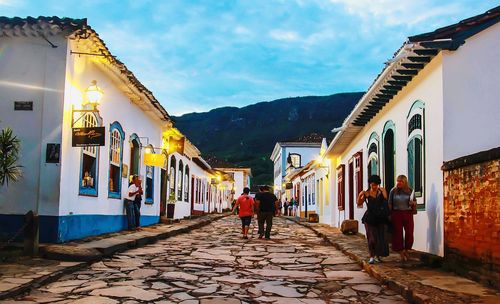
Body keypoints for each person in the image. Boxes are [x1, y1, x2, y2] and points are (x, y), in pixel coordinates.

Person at [357, 175, 389, 264]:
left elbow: (386, 201)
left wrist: (384, 193)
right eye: (372, 185)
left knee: (380, 237)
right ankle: (372, 256)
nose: (374, 186)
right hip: (370, 218)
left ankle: (378, 256)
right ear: (370, 184)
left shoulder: (381, 191)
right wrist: (360, 196)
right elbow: (359, 204)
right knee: (371, 238)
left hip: (380, 217)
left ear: (378, 184)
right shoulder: (366, 193)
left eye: (376, 185)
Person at [389, 175, 417, 262]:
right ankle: (401, 252)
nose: (399, 183)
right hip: (396, 213)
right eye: (397, 181)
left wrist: (413, 203)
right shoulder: (393, 191)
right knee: (398, 233)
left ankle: (407, 250)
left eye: (401, 181)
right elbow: (390, 203)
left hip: (407, 213)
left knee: (409, 232)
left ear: (405, 182)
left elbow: (415, 202)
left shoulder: (410, 191)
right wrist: (390, 214)